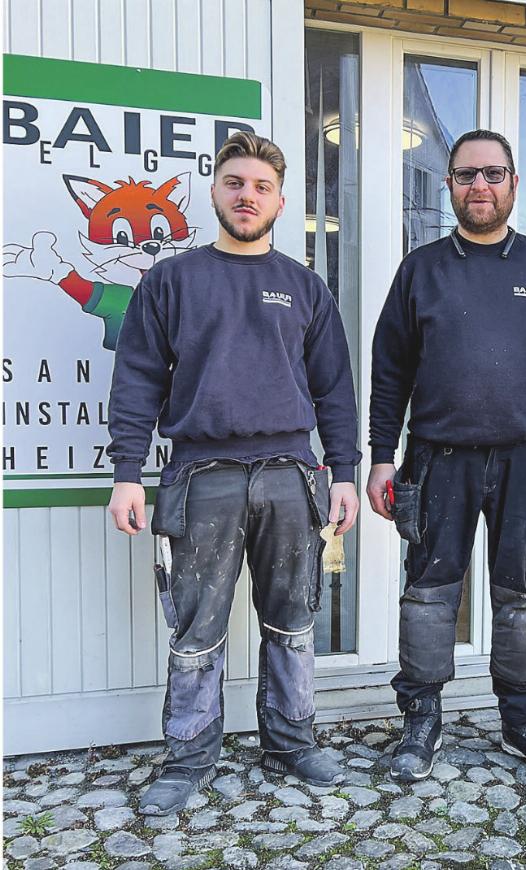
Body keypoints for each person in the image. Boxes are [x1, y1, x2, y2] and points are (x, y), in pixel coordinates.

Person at [107, 132, 361, 815]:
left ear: (280, 201)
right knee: (197, 628)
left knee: (292, 620)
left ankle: (290, 740)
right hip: (200, 475)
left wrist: (344, 470)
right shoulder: (172, 282)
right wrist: (127, 472)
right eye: (235, 183)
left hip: (290, 476)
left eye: (261, 187)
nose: (247, 196)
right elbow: (134, 380)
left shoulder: (303, 286)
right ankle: (188, 757)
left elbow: (335, 388)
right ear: (215, 191)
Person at [367, 129, 526, 783]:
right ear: (451, 184)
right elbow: (388, 370)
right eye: (465, 175)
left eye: (492, 174)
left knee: (524, 601)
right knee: (428, 598)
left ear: (514, 183)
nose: (479, 187)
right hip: (438, 459)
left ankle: (523, 724)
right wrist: (380, 457)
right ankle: (421, 721)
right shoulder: (420, 269)